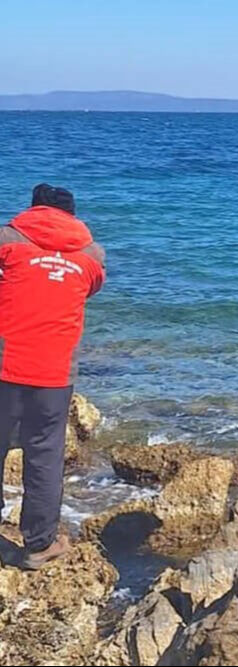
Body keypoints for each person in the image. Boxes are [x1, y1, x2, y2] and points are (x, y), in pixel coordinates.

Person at [0, 184, 106, 569]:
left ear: (34, 209)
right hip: (54, 372)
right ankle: (39, 543)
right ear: (73, 215)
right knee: (44, 455)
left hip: (5, 362)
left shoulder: (7, 239)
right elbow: (88, 288)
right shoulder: (91, 255)